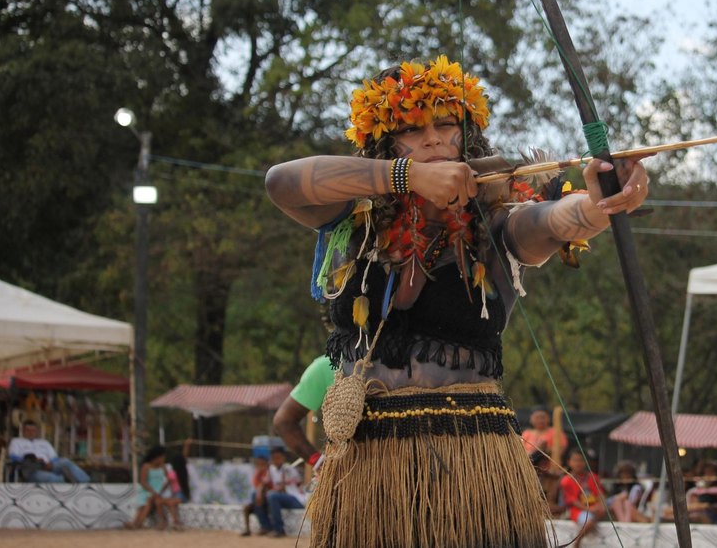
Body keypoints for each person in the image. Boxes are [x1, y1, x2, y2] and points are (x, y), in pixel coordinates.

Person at [264, 55, 650, 548]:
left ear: (465, 134)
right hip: (367, 465)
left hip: (472, 459)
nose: (431, 140)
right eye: (411, 129)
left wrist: (599, 205)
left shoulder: (494, 223)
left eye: (445, 124)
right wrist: (406, 177)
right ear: (386, 142)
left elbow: (551, 222)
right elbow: (280, 183)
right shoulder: (354, 219)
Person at [273, 354, 334, 470]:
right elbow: (284, 421)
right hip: (346, 477)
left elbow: (283, 421)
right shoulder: (327, 366)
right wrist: (317, 461)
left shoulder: (325, 365)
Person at [8, 420, 90, 483]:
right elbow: (14, 458)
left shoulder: (44, 442)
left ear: (37, 431)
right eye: (28, 430)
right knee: (54, 479)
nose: (30, 432)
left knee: (65, 461)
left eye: (33, 430)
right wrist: (34, 461)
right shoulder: (16, 441)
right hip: (32, 469)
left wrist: (50, 463)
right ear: (23, 431)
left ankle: (86, 482)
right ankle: (65, 482)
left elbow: (54, 457)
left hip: (48, 466)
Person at [126, 445, 183, 531]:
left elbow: (169, 480)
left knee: (150, 500)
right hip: (146, 490)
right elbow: (143, 482)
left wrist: (161, 491)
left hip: (159, 492)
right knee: (147, 500)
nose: (164, 459)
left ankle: (137, 523)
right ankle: (137, 523)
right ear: (157, 457)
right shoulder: (146, 466)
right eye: (162, 456)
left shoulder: (163, 467)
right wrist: (153, 492)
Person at [560, 448, 606, 547]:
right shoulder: (566, 480)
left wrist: (601, 505)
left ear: (585, 462)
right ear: (569, 462)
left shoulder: (593, 477)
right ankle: (577, 542)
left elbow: (600, 494)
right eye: (575, 460)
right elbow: (573, 501)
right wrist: (590, 509)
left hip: (595, 507)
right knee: (589, 520)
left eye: (581, 460)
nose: (578, 463)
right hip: (579, 510)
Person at [265, 447, 305, 538]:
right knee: (262, 495)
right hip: (280, 498)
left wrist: (285, 484)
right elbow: (266, 483)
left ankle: (279, 530)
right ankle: (265, 527)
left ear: (283, 458)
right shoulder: (271, 469)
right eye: (273, 458)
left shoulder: (289, 469)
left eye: (278, 458)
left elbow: (298, 483)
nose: (276, 460)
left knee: (272, 496)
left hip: (295, 498)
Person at [242, 455, 271, 536]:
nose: (260, 466)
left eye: (262, 464)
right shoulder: (257, 474)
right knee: (246, 507)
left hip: (267, 498)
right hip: (260, 500)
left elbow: (264, 485)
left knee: (255, 496)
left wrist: (259, 494)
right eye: (258, 464)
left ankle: (265, 526)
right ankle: (247, 529)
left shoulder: (268, 472)